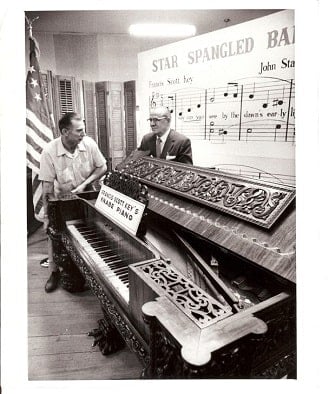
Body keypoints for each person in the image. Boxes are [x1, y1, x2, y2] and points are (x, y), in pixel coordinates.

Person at [39, 112, 107, 292]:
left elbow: (103, 166)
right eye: (79, 131)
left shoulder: (89, 144)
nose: (83, 134)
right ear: (65, 131)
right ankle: (54, 272)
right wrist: (47, 217)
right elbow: (47, 187)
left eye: (83, 129)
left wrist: (85, 184)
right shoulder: (49, 151)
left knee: (87, 234)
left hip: (86, 198)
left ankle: (91, 271)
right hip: (60, 201)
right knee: (55, 236)